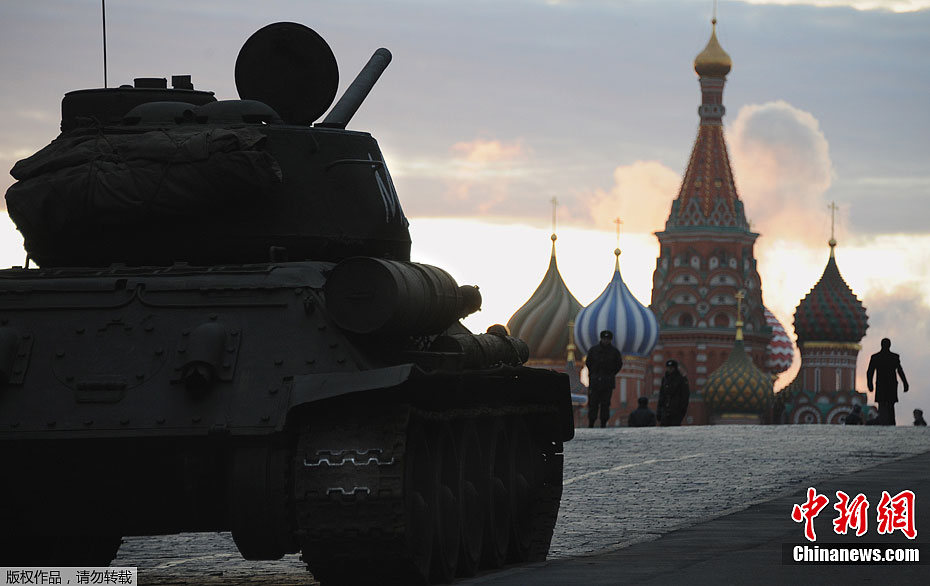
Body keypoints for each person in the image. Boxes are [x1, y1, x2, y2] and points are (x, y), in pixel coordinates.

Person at [866, 338, 909, 426]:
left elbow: (870, 372)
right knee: (890, 406)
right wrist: (905, 383)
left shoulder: (876, 357)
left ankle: (884, 423)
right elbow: (900, 371)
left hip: (882, 386)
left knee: (883, 406)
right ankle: (890, 424)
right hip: (891, 386)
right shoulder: (894, 357)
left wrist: (870, 385)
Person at [585, 330, 623, 428]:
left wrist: (610, 374)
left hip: (607, 382)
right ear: (601, 339)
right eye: (604, 339)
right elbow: (588, 363)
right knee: (593, 403)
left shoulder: (614, 352)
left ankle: (603, 423)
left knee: (605, 404)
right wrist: (594, 374)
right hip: (595, 382)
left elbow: (618, 365)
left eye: (608, 339)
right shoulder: (594, 350)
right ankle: (591, 422)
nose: (606, 341)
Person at [658, 359, 690, 426]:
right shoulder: (665, 379)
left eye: (671, 368)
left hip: (676, 411)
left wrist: (682, 410)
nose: (669, 370)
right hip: (665, 410)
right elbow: (661, 396)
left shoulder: (681, 379)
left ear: (675, 368)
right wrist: (659, 411)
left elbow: (685, 396)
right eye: (668, 368)